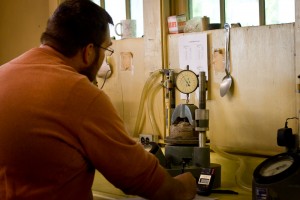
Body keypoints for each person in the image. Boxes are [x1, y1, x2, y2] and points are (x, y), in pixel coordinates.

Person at [0, 0, 197, 199]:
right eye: (106, 49)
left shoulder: (4, 74)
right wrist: (184, 187)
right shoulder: (79, 93)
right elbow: (139, 177)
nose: (105, 56)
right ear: (89, 52)